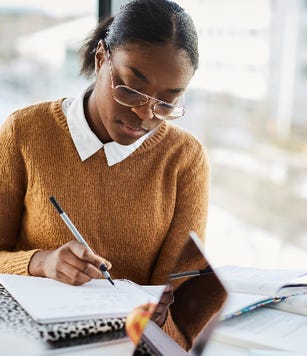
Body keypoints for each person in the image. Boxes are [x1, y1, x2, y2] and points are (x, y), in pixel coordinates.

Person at [0, 0, 221, 350]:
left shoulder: (185, 159)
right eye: (131, 88)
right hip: (28, 343)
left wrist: (171, 311)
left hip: (126, 345)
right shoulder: (25, 132)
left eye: (166, 103)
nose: (144, 115)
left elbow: (177, 300)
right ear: (102, 58)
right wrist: (41, 263)